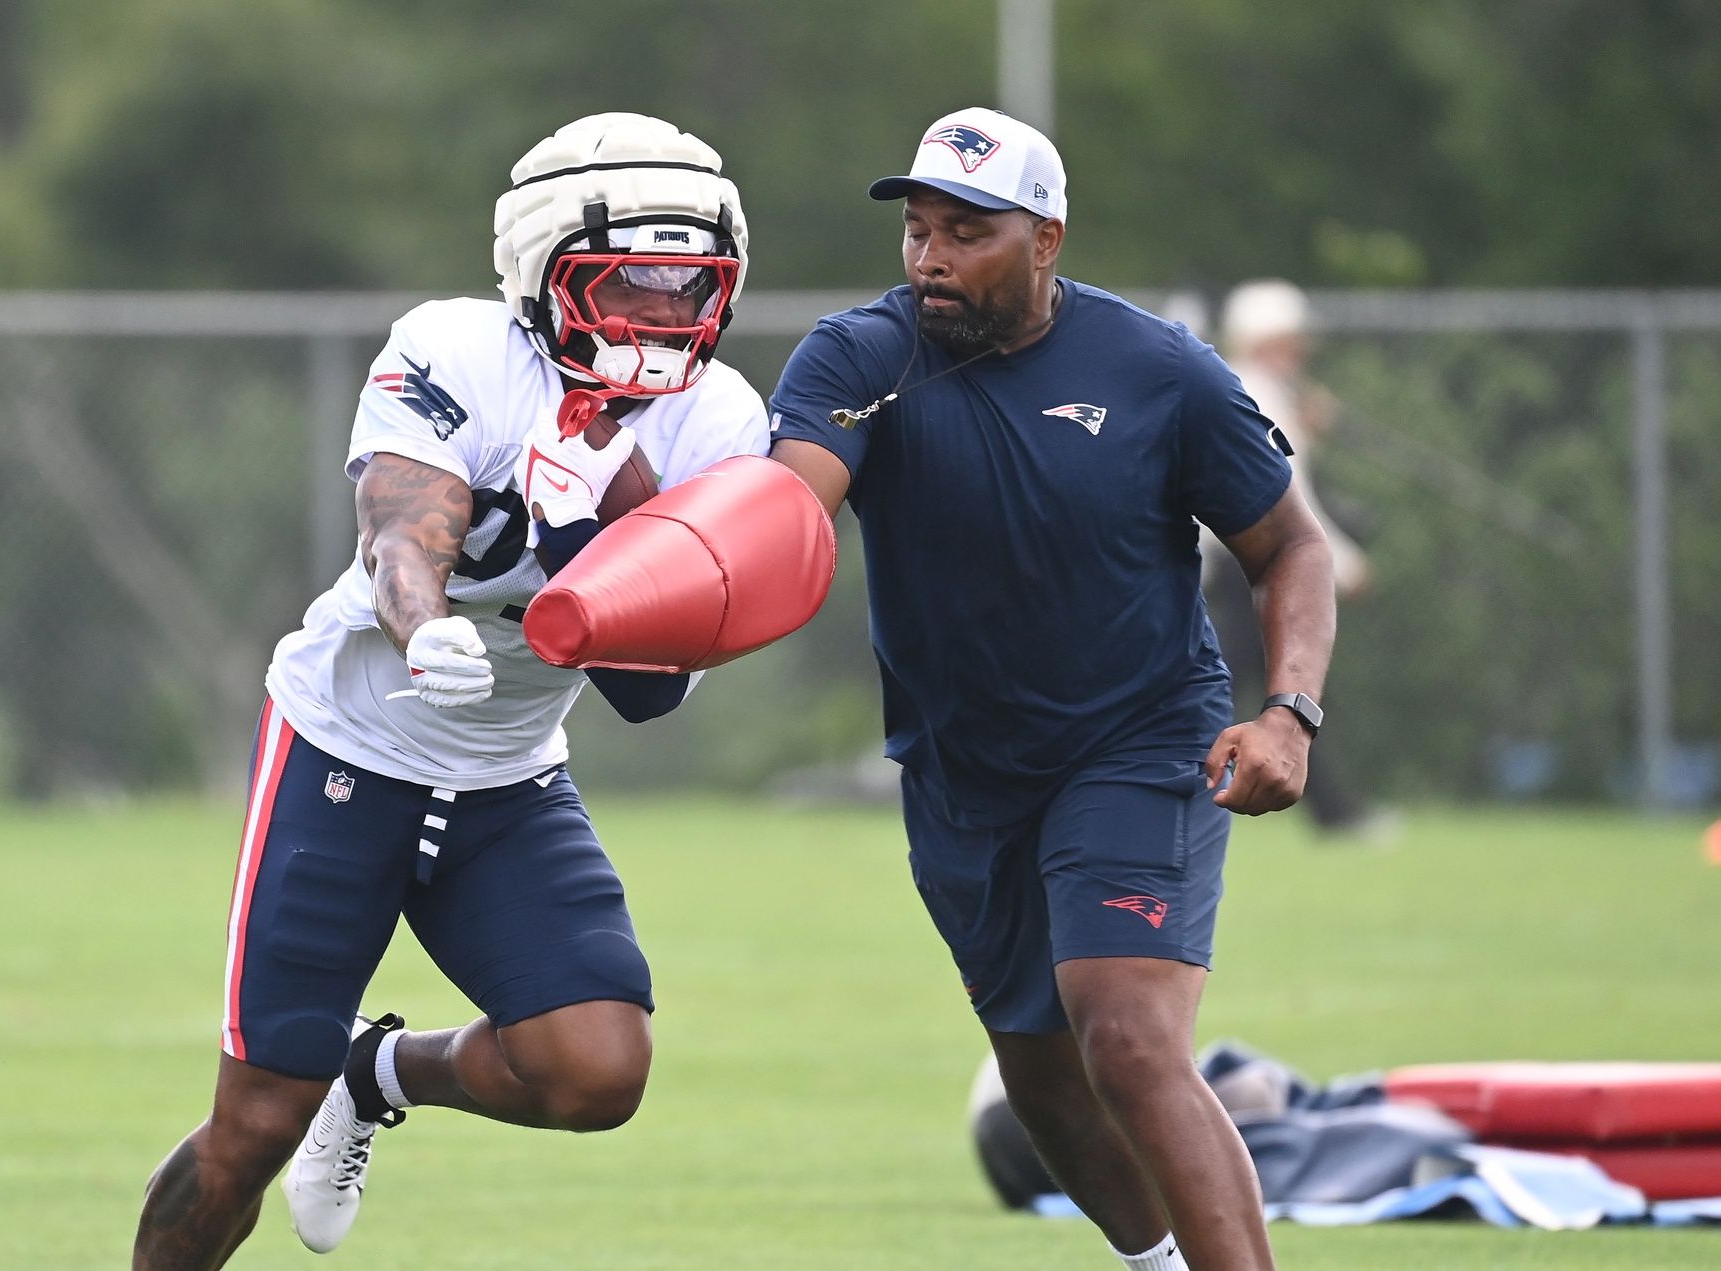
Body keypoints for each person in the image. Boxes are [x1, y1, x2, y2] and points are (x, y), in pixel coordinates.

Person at [131, 112, 766, 1269]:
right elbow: (399, 536)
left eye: (690, 287)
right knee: (253, 1124)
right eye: (636, 281)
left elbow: (650, 693)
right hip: (347, 749)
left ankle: (374, 1073)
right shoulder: (460, 346)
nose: (666, 316)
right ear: (547, 268)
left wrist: (598, 509)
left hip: (508, 776)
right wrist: (425, 630)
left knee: (597, 1068)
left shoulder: (717, 418)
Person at [766, 107, 1337, 1270]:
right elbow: (789, 508)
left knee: (1126, 1039)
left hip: (1137, 741)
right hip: (962, 773)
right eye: (917, 229)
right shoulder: (859, 356)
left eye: (965, 231)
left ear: (1045, 239)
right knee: (1046, 1083)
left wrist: (1288, 710)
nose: (929, 256)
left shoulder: (1160, 369)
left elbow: (1293, 548)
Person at [1203, 279, 1381, 836]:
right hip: (1248, 565)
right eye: (1290, 340)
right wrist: (1345, 565)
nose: (1300, 353)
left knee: (1264, 687)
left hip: (1231, 563)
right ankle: (1336, 814)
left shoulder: (1243, 386)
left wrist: (1306, 425)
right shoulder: (1260, 393)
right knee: (1275, 687)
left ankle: (1335, 812)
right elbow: (1289, 502)